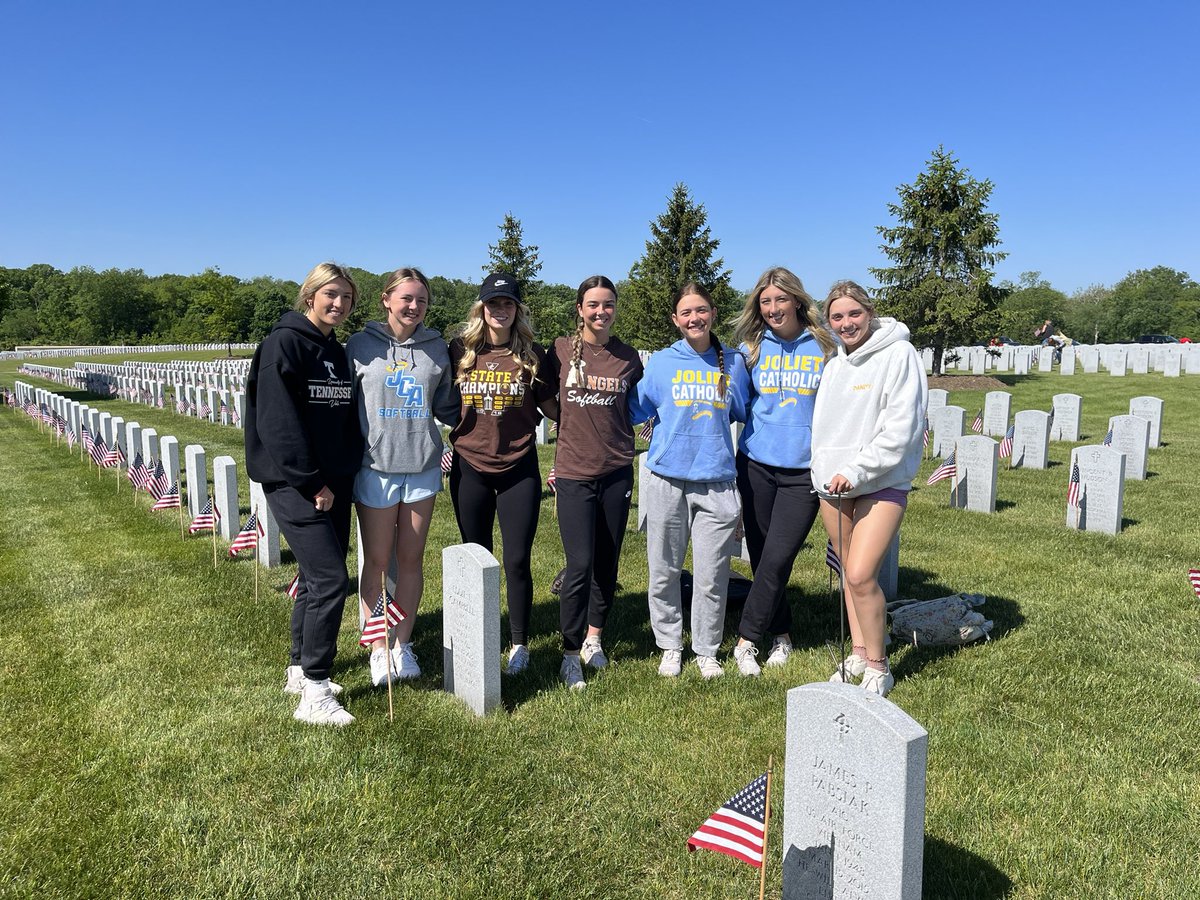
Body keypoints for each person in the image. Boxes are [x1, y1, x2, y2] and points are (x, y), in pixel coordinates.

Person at [245, 262, 363, 726]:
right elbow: (278, 423)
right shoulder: (284, 344)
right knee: (333, 579)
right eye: (330, 294)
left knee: (317, 579)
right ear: (310, 295)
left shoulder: (334, 351)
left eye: (347, 297)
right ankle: (316, 691)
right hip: (298, 483)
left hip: (332, 483)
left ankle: (298, 667)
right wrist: (312, 483)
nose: (338, 304)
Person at [811, 280, 927, 697]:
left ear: (870, 312)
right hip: (832, 485)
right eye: (837, 316)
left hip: (880, 481)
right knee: (847, 573)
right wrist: (822, 469)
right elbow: (825, 429)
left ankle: (879, 665)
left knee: (861, 575)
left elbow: (902, 428)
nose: (846, 323)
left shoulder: (899, 354)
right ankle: (858, 651)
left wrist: (858, 469)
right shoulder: (835, 364)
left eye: (854, 313)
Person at [630, 282, 749, 679]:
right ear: (675, 320)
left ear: (713, 313)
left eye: (701, 310)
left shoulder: (733, 363)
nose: (694, 318)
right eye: (686, 313)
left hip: (717, 483)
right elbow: (633, 409)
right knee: (663, 568)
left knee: (712, 574)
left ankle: (706, 649)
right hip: (667, 480)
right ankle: (669, 644)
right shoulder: (663, 363)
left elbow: (745, 412)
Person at [346, 267, 458, 688]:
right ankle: (378, 645)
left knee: (410, 560)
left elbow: (449, 406)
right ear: (387, 300)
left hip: (423, 467)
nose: (414, 307)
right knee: (376, 562)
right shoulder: (359, 345)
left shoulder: (436, 350)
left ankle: (402, 644)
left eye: (422, 300)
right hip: (376, 467)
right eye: (406, 298)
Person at [448, 272, 558, 678]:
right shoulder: (459, 350)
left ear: (517, 309)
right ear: (482, 308)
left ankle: (518, 643)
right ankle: (478, 632)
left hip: (518, 467)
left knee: (516, 560)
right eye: (493, 304)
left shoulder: (532, 353)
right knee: (475, 557)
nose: (500, 310)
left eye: (508, 303)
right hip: (470, 466)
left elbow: (551, 407)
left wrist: (592, 422)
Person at [729, 267, 837, 676]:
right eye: (765, 301)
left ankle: (745, 640)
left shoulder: (825, 346)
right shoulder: (752, 348)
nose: (773, 308)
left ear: (796, 301)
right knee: (762, 557)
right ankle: (782, 635)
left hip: (802, 470)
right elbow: (740, 406)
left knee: (778, 557)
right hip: (756, 464)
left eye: (780, 299)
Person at [547, 275, 643, 689]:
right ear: (579, 309)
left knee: (607, 559)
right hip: (574, 471)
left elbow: (635, 407)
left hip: (617, 468)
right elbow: (547, 399)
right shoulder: (562, 350)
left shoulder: (629, 358)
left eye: (608, 304)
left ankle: (594, 639)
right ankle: (569, 652)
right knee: (580, 564)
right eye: (593, 305)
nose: (600, 312)